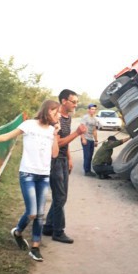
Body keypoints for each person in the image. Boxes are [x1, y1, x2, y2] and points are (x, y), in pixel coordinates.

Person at [0, 99, 61, 262]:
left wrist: (55, 134)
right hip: (28, 174)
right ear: (47, 111)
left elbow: (54, 154)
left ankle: (35, 247)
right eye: (56, 112)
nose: (58, 115)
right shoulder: (29, 125)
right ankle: (17, 232)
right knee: (32, 212)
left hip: (44, 175)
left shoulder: (52, 130)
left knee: (40, 214)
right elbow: (6, 137)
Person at [42, 89, 87, 244]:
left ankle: (48, 226)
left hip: (62, 160)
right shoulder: (56, 119)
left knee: (61, 197)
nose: (76, 104)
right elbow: (58, 142)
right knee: (60, 197)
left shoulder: (68, 117)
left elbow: (65, 143)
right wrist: (77, 133)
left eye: (76, 102)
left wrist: (69, 158)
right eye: (73, 101)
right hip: (54, 161)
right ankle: (58, 231)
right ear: (63, 101)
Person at [80, 104, 99, 177]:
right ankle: (86, 171)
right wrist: (83, 139)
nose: (93, 110)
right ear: (88, 110)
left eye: (94, 109)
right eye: (91, 109)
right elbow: (81, 128)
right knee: (87, 155)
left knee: (90, 156)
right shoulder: (85, 118)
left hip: (91, 139)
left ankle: (89, 170)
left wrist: (96, 140)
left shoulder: (95, 119)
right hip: (85, 138)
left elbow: (94, 130)